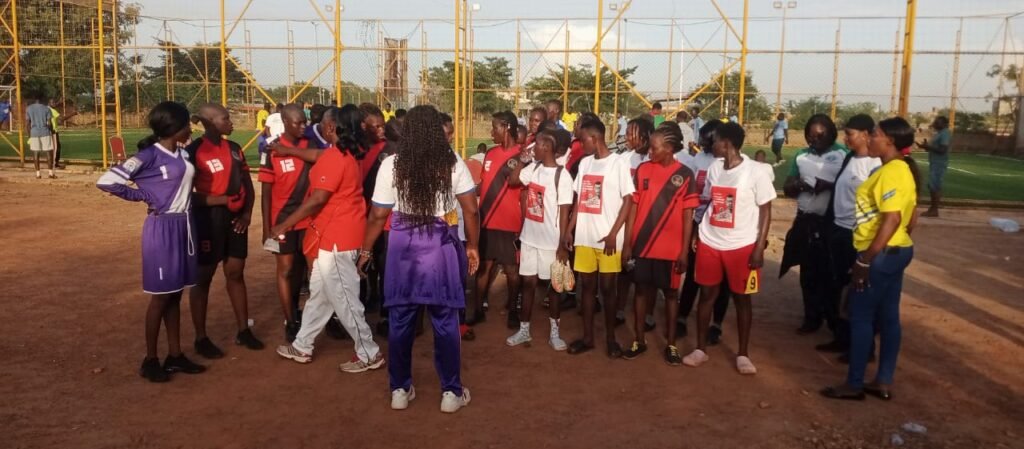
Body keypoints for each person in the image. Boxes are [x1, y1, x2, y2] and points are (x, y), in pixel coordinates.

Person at [360, 105, 479, 413]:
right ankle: (451, 393)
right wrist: (472, 246)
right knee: (445, 321)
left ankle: (399, 389)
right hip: (440, 246)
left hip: (403, 248)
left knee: (400, 320)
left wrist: (365, 249)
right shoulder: (452, 163)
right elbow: (471, 209)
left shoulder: (392, 165)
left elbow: (377, 214)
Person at [97, 101, 206, 382]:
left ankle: (175, 354)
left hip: (185, 225)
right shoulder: (149, 156)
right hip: (163, 228)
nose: (190, 128)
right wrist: (142, 196)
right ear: (175, 127)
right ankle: (150, 359)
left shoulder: (182, 153)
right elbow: (107, 181)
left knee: (175, 293)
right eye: (186, 124)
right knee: (161, 297)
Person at [273, 105, 385, 373]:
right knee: (321, 295)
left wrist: (284, 224)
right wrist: (289, 151)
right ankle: (302, 345)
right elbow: (318, 155)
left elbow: (318, 199)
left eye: (323, 124)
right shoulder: (351, 152)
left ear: (331, 127)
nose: (319, 127)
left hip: (337, 237)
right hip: (338, 234)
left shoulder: (338, 156)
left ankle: (369, 352)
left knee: (345, 299)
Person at [821, 117, 917, 401]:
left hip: (880, 255)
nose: (870, 138)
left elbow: (893, 218)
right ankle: (883, 380)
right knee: (888, 318)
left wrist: (865, 260)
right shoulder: (896, 169)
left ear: (889, 140)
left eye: (874, 134)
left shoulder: (891, 172)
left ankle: (854, 383)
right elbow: (910, 219)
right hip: (896, 252)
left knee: (860, 317)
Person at [683, 121, 775, 375]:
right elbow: (712, 203)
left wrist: (758, 247)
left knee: (742, 299)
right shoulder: (714, 168)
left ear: (727, 143)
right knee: (707, 295)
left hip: (741, 245)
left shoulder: (755, 172)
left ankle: (743, 354)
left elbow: (766, 210)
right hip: (711, 241)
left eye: (715, 141)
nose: (711, 145)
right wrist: (698, 233)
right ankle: (700, 349)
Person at [184, 103, 264, 359]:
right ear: (208, 123)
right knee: (203, 276)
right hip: (208, 219)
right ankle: (201, 338)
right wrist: (221, 201)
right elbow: (186, 196)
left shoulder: (235, 149)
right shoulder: (193, 152)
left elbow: (247, 186)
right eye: (225, 118)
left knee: (235, 271)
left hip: (235, 217)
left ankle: (243, 330)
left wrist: (247, 213)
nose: (231, 122)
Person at [621, 122, 699, 364]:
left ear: (669, 148)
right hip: (643, 245)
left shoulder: (685, 175)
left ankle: (671, 344)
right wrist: (627, 242)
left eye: (654, 148)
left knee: (671, 294)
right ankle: (639, 340)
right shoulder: (643, 170)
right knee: (642, 291)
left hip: (670, 248)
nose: (650, 152)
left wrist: (684, 251)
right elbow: (633, 206)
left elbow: (688, 217)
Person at [564, 119, 634, 357]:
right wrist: (570, 229)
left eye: (582, 140)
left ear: (595, 138)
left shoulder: (618, 164)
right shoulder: (584, 164)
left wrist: (615, 233)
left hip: (608, 239)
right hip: (585, 236)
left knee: (608, 289)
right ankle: (588, 338)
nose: (580, 144)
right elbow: (579, 199)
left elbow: (628, 200)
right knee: (587, 288)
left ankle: (611, 339)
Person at [506, 130, 574, 350]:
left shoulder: (562, 175)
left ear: (546, 147)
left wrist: (563, 244)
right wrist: (522, 162)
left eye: (536, 145)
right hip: (529, 238)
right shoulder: (533, 169)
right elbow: (514, 181)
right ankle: (524, 330)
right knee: (528, 283)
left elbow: (565, 211)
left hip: (550, 242)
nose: (532, 148)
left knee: (553, 287)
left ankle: (555, 332)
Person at [782, 114, 848, 336]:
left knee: (830, 274)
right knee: (808, 273)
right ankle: (811, 317)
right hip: (806, 219)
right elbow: (788, 185)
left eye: (820, 135)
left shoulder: (843, 155)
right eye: (810, 136)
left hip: (830, 222)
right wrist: (797, 185)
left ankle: (833, 320)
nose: (814, 140)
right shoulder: (801, 156)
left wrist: (827, 185)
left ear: (831, 133)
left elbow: (850, 187)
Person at [820, 114, 881, 355]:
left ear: (866, 134)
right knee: (838, 287)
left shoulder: (875, 165)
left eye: (850, 134)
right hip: (839, 230)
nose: (845, 139)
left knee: (857, 291)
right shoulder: (849, 158)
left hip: (858, 235)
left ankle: (864, 349)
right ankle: (841, 337)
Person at [258, 104, 316, 342]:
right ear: (285, 121)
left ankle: (304, 313)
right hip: (282, 221)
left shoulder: (310, 146)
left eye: (305, 122)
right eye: (298, 122)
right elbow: (265, 193)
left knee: (306, 270)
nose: (303, 126)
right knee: (286, 269)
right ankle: (290, 321)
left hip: (308, 219)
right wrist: (266, 228)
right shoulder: (270, 151)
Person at [470, 111, 525, 329]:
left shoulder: (522, 156)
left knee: (512, 270)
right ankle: (477, 310)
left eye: (495, 128)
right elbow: (484, 185)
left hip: (511, 222)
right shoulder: (490, 154)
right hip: (487, 221)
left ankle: (512, 310)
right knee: (484, 267)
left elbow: (520, 189)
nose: (491, 132)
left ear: (507, 128)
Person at [677, 120, 731, 343]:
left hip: (722, 226)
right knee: (693, 274)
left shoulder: (728, 163)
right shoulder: (698, 159)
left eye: (710, 142)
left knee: (722, 280)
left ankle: (716, 323)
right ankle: (682, 317)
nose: (706, 145)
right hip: (698, 221)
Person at [615, 117, 656, 330]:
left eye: (632, 133)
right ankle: (620, 309)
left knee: (648, 275)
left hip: (648, 223)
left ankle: (648, 313)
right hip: (628, 220)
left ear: (646, 135)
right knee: (625, 269)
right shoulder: (624, 159)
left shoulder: (656, 159)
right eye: (627, 132)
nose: (627, 137)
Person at [918, 116, 950, 217]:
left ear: (944, 124)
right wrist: (926, 146)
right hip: (934, 162)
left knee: (934, 185)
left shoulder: (945, 133)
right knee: (932, 185)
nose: (935, 123)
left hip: (939, 163)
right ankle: (932, 209)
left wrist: (928, 147)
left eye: (938, 122)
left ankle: (934, 210)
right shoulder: (939, 133)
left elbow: (943, 150)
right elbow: (935, 148)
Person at [26, 95, 56, 179]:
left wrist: (29, 135)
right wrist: (52, 131)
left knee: (36, 153)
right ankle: (50, 173)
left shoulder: (29, 108)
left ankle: (38, 174)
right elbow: (49, 123)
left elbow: (28, 124)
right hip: (45, 132)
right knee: (48, 152)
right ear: (43, 100)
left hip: (34, 133)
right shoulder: (47, 109)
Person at [48, 99, 64, 169]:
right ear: (49, 103)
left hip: (48, 131)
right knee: (56, 148)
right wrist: (73, 114)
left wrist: (59, 102)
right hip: (53, 131)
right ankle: (54, 164)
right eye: (53, 103)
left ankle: (52, 162)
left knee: (52, 147)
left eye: (55, 102)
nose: (55, 104)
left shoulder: (46, 109)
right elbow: (62, 118)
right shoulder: (53, 111)